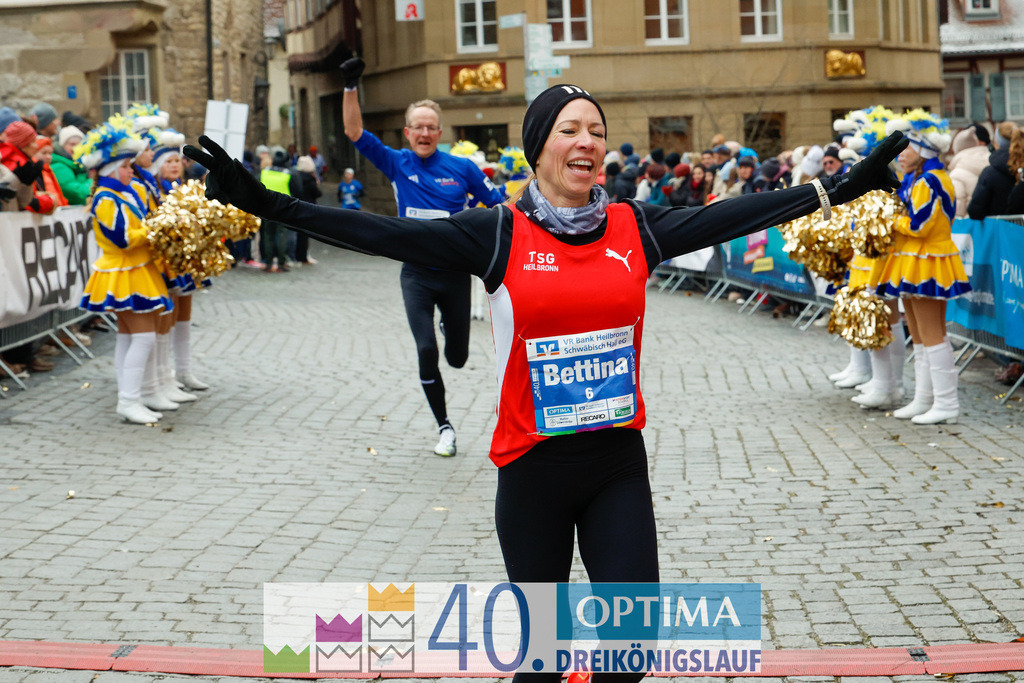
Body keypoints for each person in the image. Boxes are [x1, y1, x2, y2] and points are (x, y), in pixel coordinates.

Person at [186, 83, 906, 681]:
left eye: (596, 129)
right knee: (538, 660)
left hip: (616, 462)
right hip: (531, 467)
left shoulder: (633, 225)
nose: (587, 141)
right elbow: (381, 234)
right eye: (570, 129)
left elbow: (726, 214)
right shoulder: (496, 232)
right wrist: (267, 203)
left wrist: (831, 190)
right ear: (540, 146)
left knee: (631, 649)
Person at [339, 56, 505, 457]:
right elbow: (354, 130)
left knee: (458, 358)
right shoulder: (398, 163)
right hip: (415, 275)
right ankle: (445, 427)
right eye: (419, 127)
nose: (425, 132)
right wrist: (349, 85)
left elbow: (501, 206)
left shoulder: (462, 168)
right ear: (408, 132)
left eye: (432, 126)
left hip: (454, 276)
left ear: (440, 132)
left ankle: (453, 332)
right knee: (426, 351)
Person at [75, 118, 173, 424]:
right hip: (123, 271)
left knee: (129, 337)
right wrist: (156, 228)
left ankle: (134, 396)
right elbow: (124, 238)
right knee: (141, 338)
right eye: (127, 166)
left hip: (135, 269)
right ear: (112, 170)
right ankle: (129, 399)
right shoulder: (106, 198)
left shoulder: (123, 194)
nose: (132, 171)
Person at [878, 112, 970, 425]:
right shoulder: (918, 179)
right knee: (917, 334)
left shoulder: (932, 180)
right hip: (915, 260)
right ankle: (924, 399)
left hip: (930, 260)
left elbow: (919, 225)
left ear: (926, 149)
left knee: (932, 333)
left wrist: (889, 222)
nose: (901, 154)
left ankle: (946, 404)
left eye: (907, 147)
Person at [967, 121, 1018, 219]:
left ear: (997, 143)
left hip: (998, 232)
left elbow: (975, 211)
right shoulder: (1020, 169)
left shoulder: (990, 173)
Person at [260, 149, 294, 272]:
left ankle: (268, 263)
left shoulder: (264, 172)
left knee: (267, 236)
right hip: (282, 209)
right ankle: (281, 264)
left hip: (267, 208)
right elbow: (297, 191)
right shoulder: (288, 174)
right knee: (281, 236)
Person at [291, 155, 321, 264]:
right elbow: (317, 193)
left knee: (297, 233)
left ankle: (296, 254)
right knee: (304, 234)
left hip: (297, 206)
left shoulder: (295, 176)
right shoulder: (310, 179)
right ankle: (302, 256)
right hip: (309, 207)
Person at [52, 125, 93, 205]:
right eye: (72, 144)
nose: (76, 148)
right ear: (62, 146)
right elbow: (79, 195)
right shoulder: (58, 166)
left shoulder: (78, 167)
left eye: (80, 145)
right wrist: (92, 180)